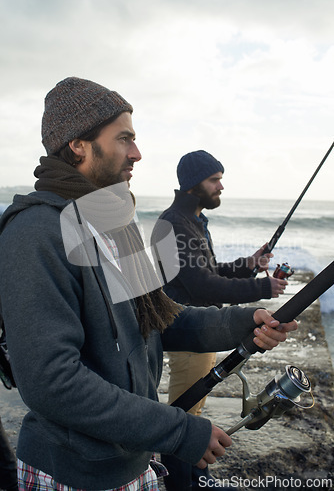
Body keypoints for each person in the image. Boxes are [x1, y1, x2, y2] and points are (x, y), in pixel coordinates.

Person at [0, 77, 297, 491]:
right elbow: (52, 382)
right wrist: (178, 431)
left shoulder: (112, 219)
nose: (137, 153)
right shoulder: (35, 233)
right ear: (78, 145)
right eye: (124, 139)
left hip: (135, 463)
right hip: (72, 476)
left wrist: (244, 321)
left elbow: (160, 320)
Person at [156, 150, 288, 489]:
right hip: (189, 333)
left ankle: (188, 479)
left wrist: (249, 263)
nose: (221, 186)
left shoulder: (191, 220)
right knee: (185, 417)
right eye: (214, 179)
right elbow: (201, 285)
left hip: (201, 331)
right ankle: (182, 483)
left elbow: (208, 272)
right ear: (192, 184)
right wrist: (262, 286)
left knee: (189, 414)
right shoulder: (174, 224)